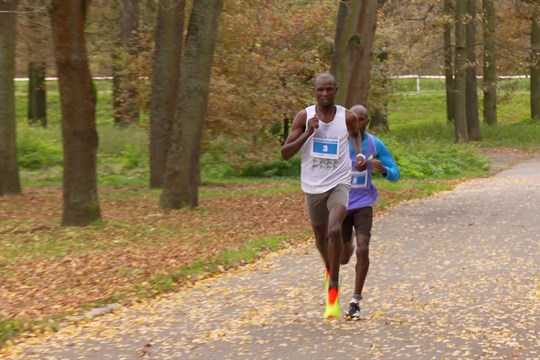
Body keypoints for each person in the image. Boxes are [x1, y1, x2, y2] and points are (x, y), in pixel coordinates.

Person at [281, 73, 361, 319]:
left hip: (339, 181)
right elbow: (285, 153)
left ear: (336, 90)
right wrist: (307, 133)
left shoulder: (347, 116)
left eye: (329, 90)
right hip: (313, 186)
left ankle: (334, 285)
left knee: (334, 229)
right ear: (314, 91)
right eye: (320, 90)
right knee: (320, 237)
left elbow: (356, 134)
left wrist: (358, 155)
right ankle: (330, 268)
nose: (324, 94)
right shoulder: (304, 117)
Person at [340, 104, 400, 321]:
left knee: (363, 249)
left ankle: (355, 301)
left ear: (367, 121)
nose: (357, 123)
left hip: (364, 203)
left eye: (361, 119)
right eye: (352, 119)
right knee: (343, 258)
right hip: (340, 204)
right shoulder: (338, 142)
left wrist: (383, 169)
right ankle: (347, 245)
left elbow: (395, 173)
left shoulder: (375, 144)